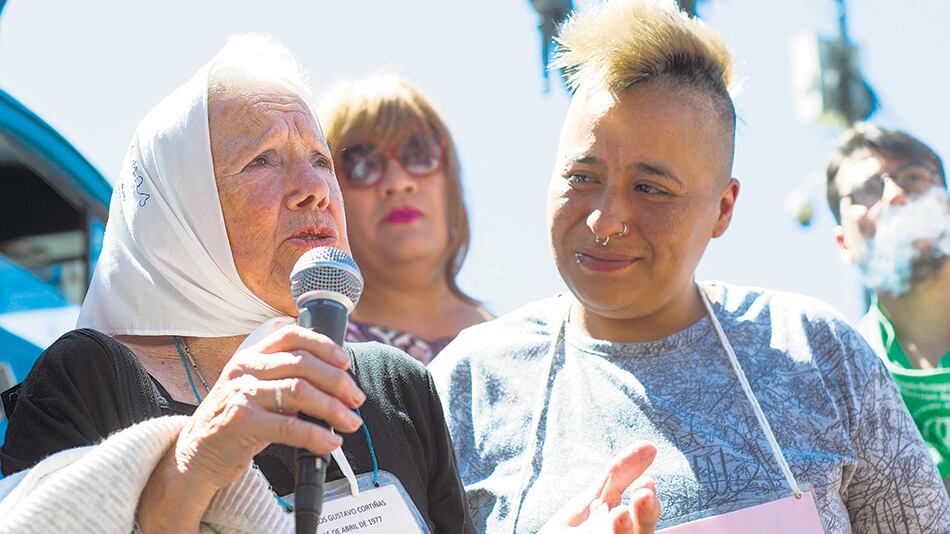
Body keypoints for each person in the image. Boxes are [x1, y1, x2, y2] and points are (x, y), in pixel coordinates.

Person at [429, 1, 950, 532]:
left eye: (650, 189)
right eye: (581, 177)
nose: (605, 220)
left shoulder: (816, 352)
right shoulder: (470, 384)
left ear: (723, 208)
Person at [0, 35, 472, 533]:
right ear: (181, 213)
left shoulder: (399, 385)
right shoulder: (91, 378)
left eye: (320, 159)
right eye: (262, 159)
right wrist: (192, 462)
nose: (313, 189)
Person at [318, 76, 491, 365]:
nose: (398, 182)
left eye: (419, 154)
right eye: (362, 164)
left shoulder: (523, 344)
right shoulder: (314, 346)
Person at [825, 123, 950, 485]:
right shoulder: (840, 382)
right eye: (867, 190)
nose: (895, 195)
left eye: (913, 177)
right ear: (843, 243)